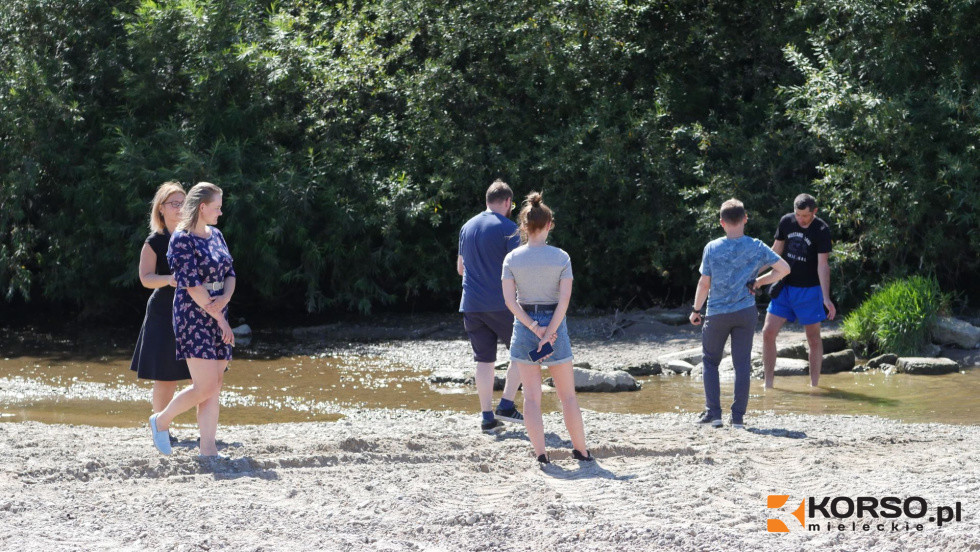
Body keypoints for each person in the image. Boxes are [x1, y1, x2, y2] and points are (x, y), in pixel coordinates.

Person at [502, 192, 591, 464]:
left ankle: (541, 455)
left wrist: (533, 327)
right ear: (549, 224)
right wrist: (550, 332)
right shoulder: (561, 257)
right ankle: (582, 452)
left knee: (531, 398)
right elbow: (564, 301)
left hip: (525, 326)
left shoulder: (512, 258)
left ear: (524, 226)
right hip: (556, 326)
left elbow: (509, 301)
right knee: (568, 397)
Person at [148, 182, 236, 457]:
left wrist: (225, 301)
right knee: (205, 385)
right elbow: (191, 284)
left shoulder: (217, 235)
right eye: (217, 207)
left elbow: (230, 273)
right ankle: (160, 420)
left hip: (218, 309)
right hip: (193, 316)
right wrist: (220, 319)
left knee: (215, 386)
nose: (220, 213)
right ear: (202, 207)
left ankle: (208, 450)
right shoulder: (182, 239)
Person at [690, 199, 790, 429]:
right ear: (745, 218)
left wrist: (696, 310)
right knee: (742, 364)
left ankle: (713, 415)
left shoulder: (712, 247)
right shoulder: (756, 246)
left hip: (717, 314)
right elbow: (784, 269)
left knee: (710, 362)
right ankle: (737, 419)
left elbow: (704, 284)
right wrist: (759, 282)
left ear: (722, 223)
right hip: (745, 312)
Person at [457, 179, 525, 431]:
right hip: (503, 304)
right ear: (507, 202)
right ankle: (506, 404)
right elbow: (519, 270)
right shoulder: (509, 228)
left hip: (471, 304)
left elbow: (460, 269)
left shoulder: (466, 227)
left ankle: (487, 417)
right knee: (522, 352)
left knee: (483, 361)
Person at [130, 182, 191, 426]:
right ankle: (162, 427)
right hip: (163, 311)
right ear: (161, 209)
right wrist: (169, 279)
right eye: (173, 203)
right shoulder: (154, 241)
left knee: (203, 375)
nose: (179, 208)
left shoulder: (194, 235)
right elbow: (145, 278)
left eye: (183, 203)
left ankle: (206, 433)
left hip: (193, 310)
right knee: (165, 375)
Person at [761, 193, 835, 388]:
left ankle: (814, 386)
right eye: (798, 215)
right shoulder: (786, 221)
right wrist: (754, 274)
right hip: (784, 286)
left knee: (813, 338)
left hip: (809, 290)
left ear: (814, 212)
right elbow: (774, 252)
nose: (801, 219)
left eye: (805, 216)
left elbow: (823, 265)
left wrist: (826, 298)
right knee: (768, 332)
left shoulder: (821, 229)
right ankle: (768, 384)